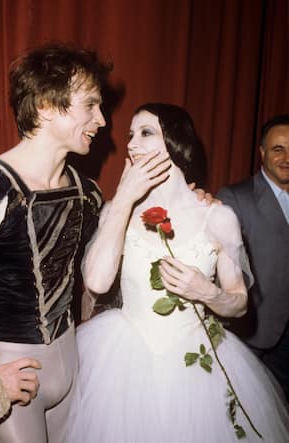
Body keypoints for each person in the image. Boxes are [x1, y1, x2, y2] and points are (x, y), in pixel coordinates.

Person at [68, 103, 289, 442]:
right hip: (123, 363)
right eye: (130, 135)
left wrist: (207, 292)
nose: (130, 144)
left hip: (195, 368)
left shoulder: (218, 216)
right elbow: (96, 281)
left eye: (145, 133)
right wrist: (123, 200)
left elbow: (240, 304)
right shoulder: (117, 209)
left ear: (175, 142)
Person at [0, 42, 119, 443]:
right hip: (15, 377)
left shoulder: (86, 192)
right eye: (90, 105)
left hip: (73, 367)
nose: (102, 119)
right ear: (46, 105)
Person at [217, 115, 289, 402]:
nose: (286, 158)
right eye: (278, 149)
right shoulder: (234, 197)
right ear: (262, 153)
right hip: (255, 336)